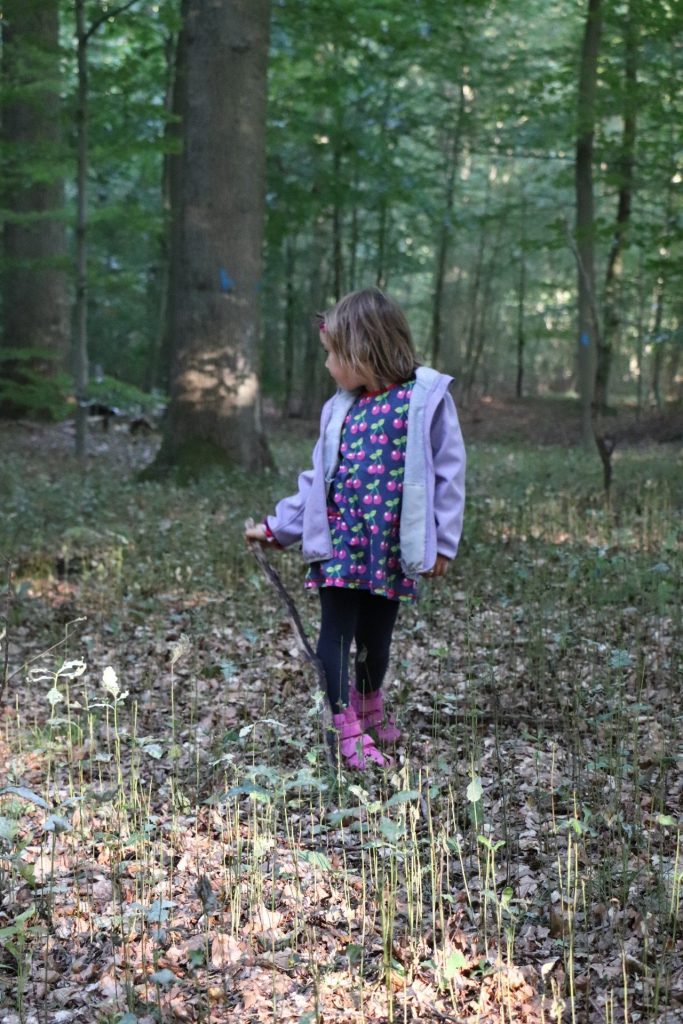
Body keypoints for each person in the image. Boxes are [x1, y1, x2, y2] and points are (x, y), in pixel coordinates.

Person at [245, 287, 466, 770]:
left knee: (378, 636)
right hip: (340, 543)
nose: (327, 367)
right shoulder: (340, 408)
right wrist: (278, 527)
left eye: (333, 355)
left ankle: (369, 706)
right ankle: (341, 718)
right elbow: (315, 481)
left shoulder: (423, 400)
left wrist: (443, 540)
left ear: (364, 351)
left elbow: (449, 472)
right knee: (337, 631)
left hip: (389, 545)